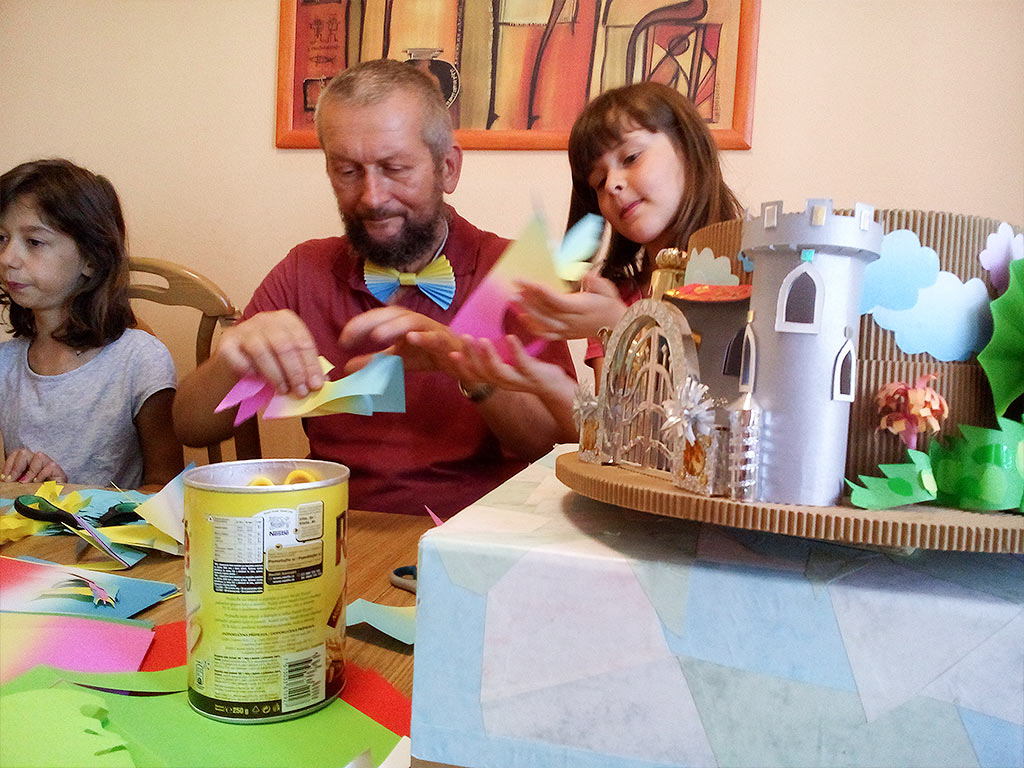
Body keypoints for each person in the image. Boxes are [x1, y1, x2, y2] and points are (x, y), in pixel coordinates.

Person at [172, 59, 577, 518]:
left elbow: (555, 448)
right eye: (347, 171)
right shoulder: (304, 270)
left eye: (394, 168)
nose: (372, 197)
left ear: (447, 167)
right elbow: (192, 428)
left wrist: (466, 366)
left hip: (477, 531)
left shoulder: (516, 272)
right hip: (335, 527)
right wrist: (232, 356)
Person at [513, 81, 743, 386]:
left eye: (631, 158)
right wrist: (548, 385)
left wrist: (623, 326)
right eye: (599, 181)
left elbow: (711, 402)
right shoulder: (615, 296)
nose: (612, 185)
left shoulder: (749, 275)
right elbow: (616, 415)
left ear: (688, 148)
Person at [0, 159, 183, 489]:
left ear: (91, 259)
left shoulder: (140, 360)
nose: (7, 258)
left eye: (34, 242)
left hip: (113, 526)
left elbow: (166, 490)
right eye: (1, 238)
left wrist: (72, 494)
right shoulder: (6, 364)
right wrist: (17, 480)